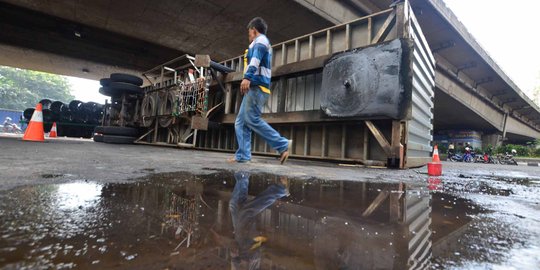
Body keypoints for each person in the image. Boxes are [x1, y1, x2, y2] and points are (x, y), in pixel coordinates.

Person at [230, 17, 291, 164]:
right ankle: (243, 156)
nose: (248, 35)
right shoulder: (258, 43)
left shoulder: (260, 41)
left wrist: (247, 77)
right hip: (255, 87)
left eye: (249, 32)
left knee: (251, 119)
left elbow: (255, 60)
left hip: (257, 87)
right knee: (240, 122)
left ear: (254, 30)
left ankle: (282, 144)